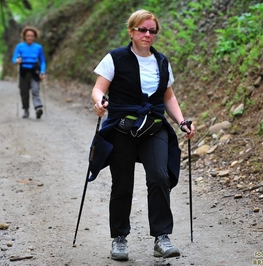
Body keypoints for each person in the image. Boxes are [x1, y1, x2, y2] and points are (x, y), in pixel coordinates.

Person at [90, 9, 195, 261]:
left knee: (160, 177)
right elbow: (98, 89)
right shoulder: (114, 58)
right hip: (121, 128)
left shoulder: (161, 62)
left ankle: (162, 238)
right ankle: (119, 239)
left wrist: (181, 122)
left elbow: (168, 96)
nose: (147, 35)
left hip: (154, 127)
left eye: (152, 31)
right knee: (122, 184)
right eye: (142, 30)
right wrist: (100, 102)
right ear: (131, 31)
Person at [12, 26, 46, 119]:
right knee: (24, 92)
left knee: (35, 90)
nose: (30, 37)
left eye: (31, 36)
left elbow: (42, 61)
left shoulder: (38, 47)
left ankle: (38, 108)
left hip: (34, 71)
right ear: (24, 36)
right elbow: (14, 58)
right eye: (28, 36)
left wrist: (42, 71)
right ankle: (26, 110)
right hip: (23, 71)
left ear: (34, 37)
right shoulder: (20, 46)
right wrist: (17, 60)